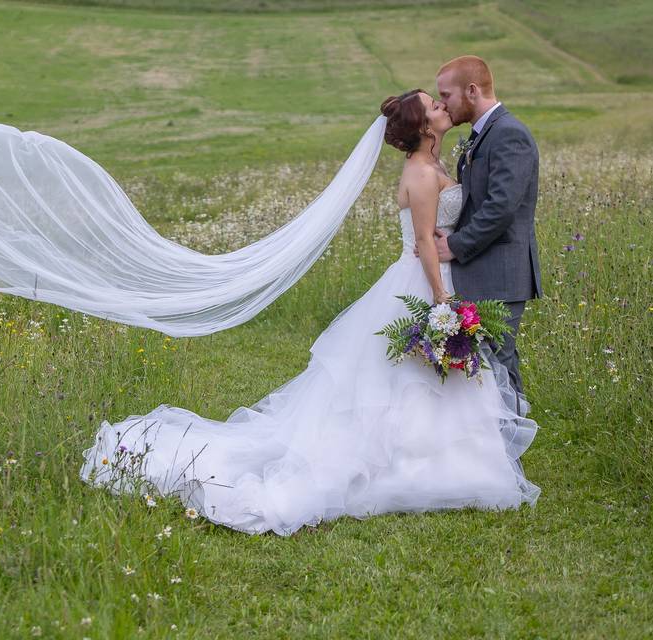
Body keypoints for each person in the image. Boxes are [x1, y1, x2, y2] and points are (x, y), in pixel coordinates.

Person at [80, 88, 540, 536]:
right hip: (423, 282)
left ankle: (452, 464)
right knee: (405, 381)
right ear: (422, 126)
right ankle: (407, 468)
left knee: (433, 380)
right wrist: (441, 302)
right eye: (433, 105)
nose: (442, 107)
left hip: (438, 278)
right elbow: (423, 242)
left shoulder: (436, 160)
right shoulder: (420, 173)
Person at [425, 55, 542, 402]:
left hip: (501, 275)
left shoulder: (509, 134)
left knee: (499, 368)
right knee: (487, 367)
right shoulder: (483, 134)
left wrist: (456, 245)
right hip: (484, 271)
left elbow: (500, 207)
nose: (443, 104)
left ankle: (511, 452)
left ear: (472, 90)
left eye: (446, 95)